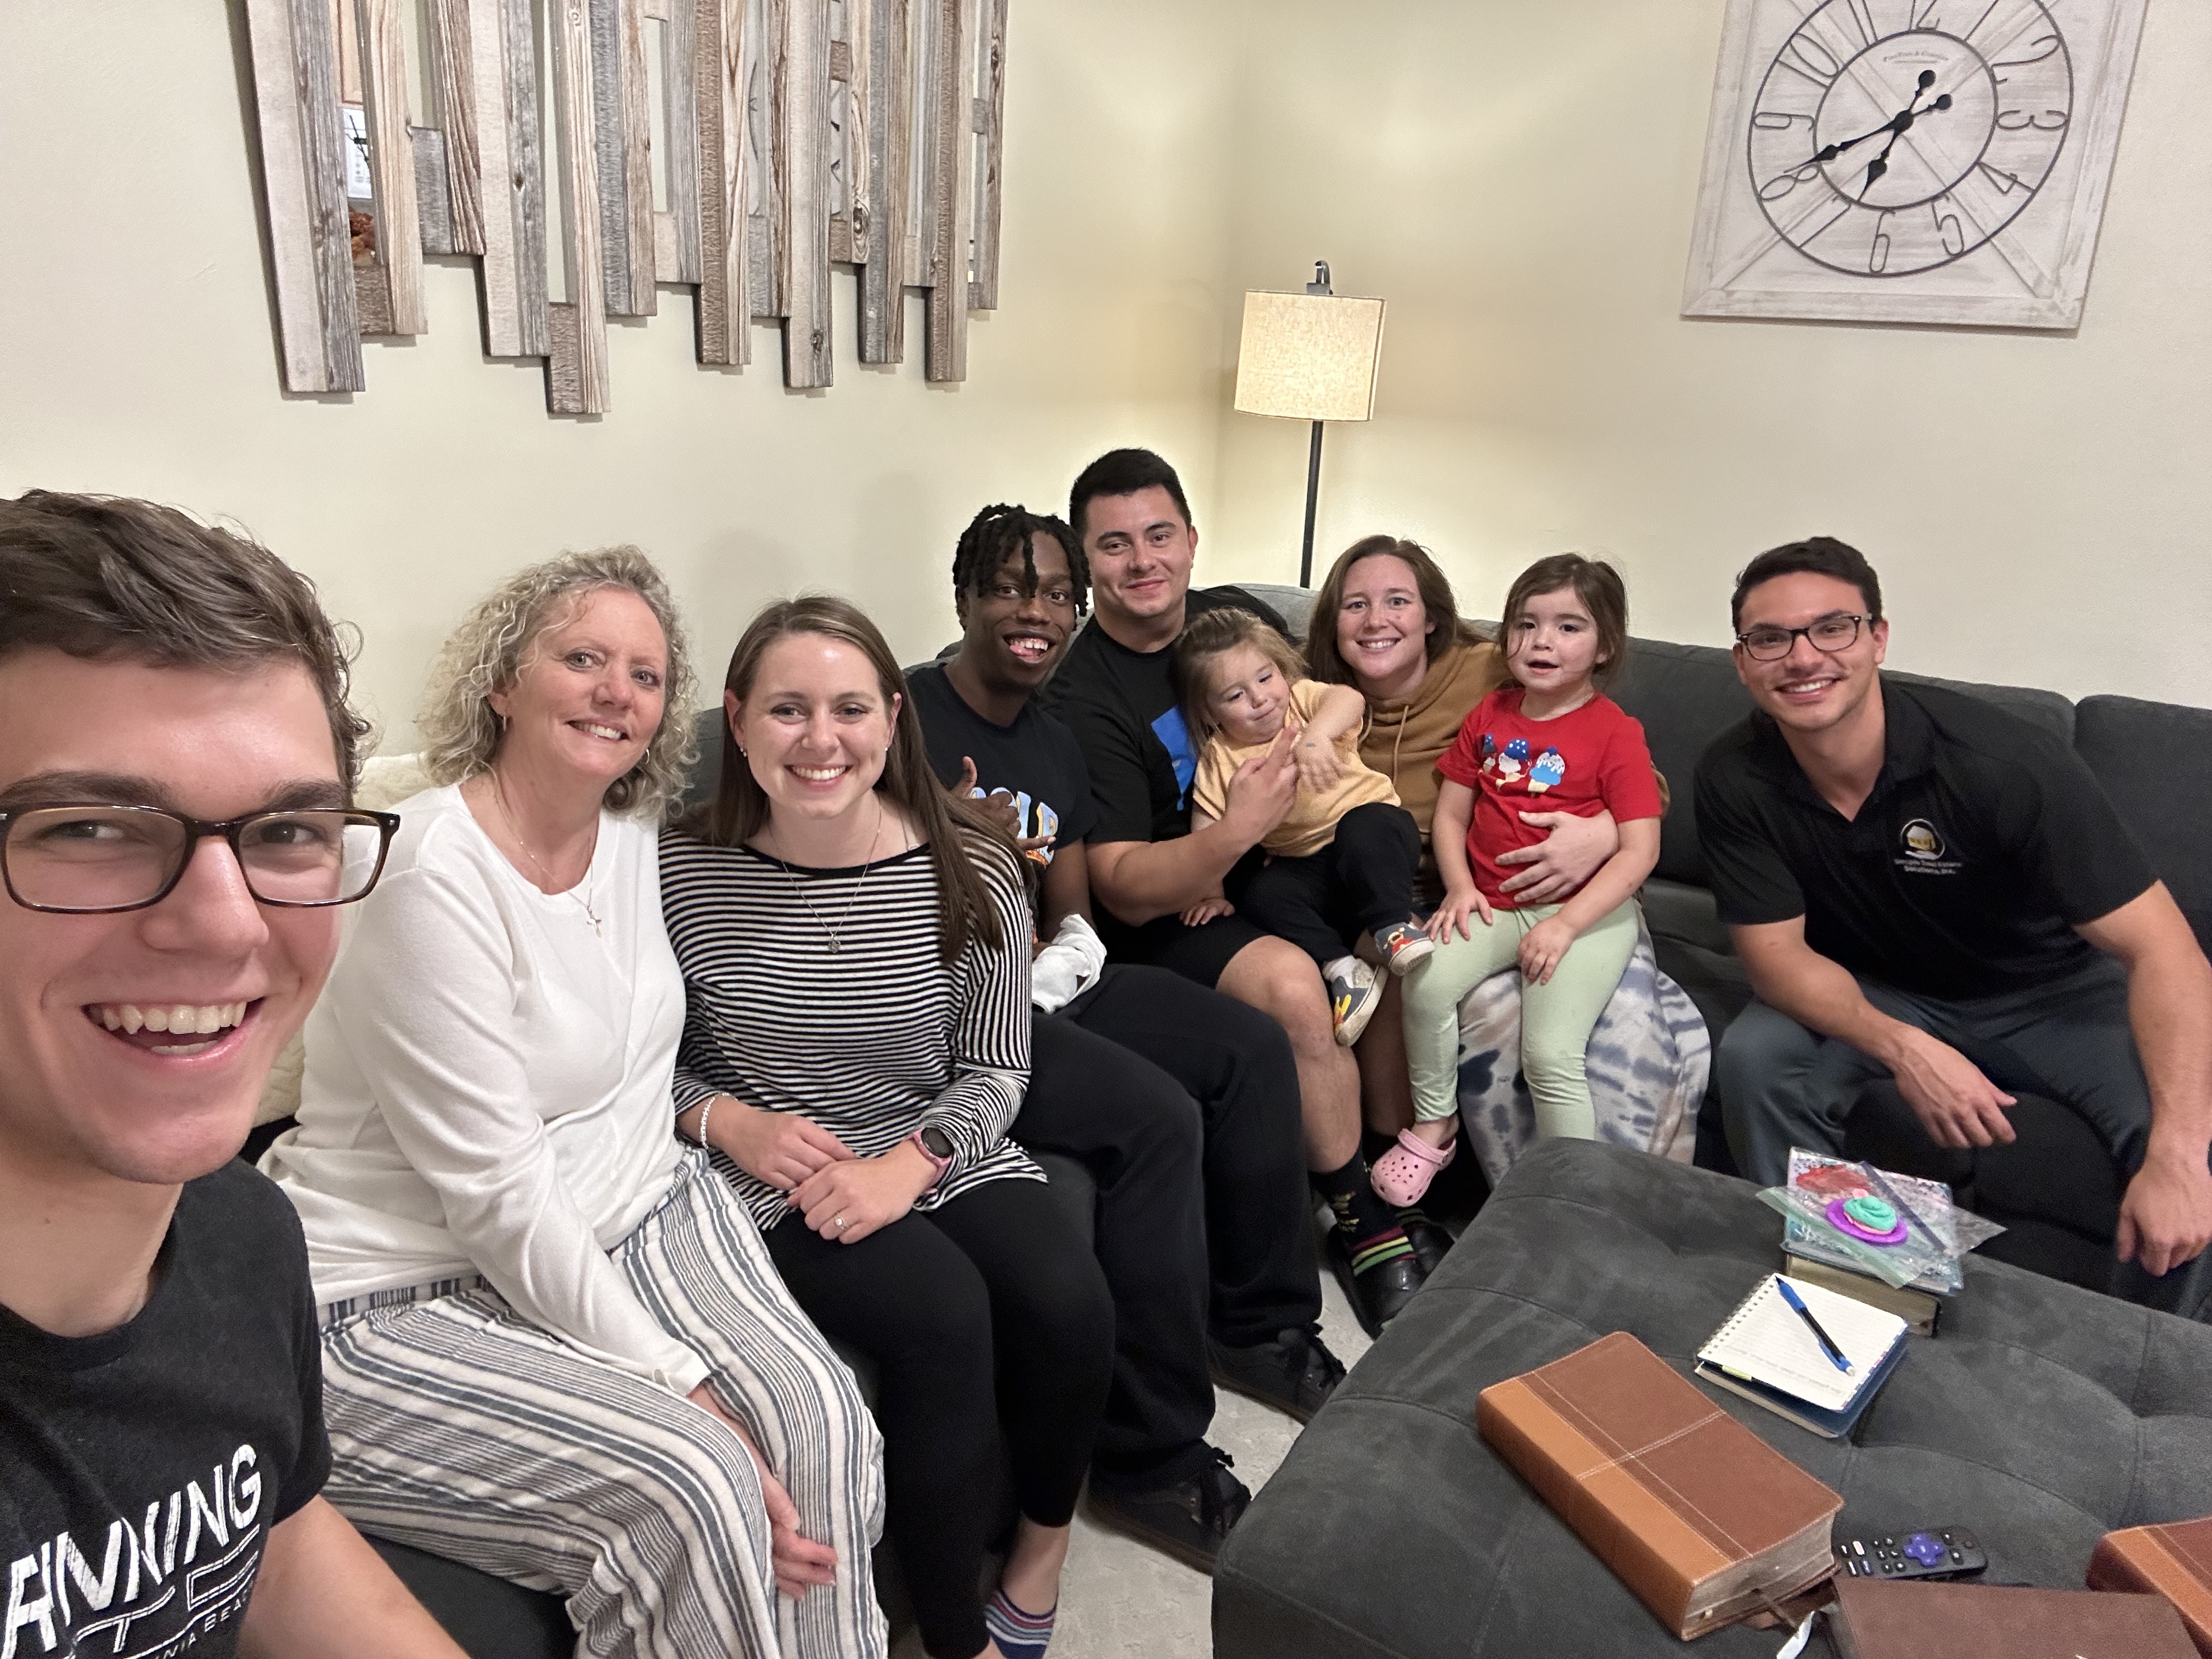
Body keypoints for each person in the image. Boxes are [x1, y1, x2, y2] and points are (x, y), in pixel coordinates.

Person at [262, 550, 888, 1659]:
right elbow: (500, 1196)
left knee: (822, 1421)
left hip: (634, 1209)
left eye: (645, 675)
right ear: (503, 681)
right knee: (697, 1477)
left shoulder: (635, 837)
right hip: (394, 1284)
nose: (617, 692)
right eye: (584, 658)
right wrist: (680, 1382)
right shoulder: (429, 873)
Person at [0, 490, 466, 1658]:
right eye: (90, 826)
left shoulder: (240, 1234)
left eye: (288, 832)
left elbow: (262, 1542)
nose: (224, 923)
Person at [660, 597, 1114, 1659]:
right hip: (775, 1169)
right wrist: (726, 1120)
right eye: (788, 709)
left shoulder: (975, 865)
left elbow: (998, 1066)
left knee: (1070, 1303)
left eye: (850, 708)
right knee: (941, 1313)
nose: (821, 739)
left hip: (935, 1138)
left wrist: (911, 1164)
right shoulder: (674, 870)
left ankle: (1041, 1551)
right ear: (738, 719)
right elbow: (629, 1066)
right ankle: (956, 1640)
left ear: (892, 718)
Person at [910, 503, 1346, 1567]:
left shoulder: (1054, 738)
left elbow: (1070, 904)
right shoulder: (903, 713)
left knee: (1246, 1047)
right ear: (963, 599)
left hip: (1043, 980)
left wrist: (1065, 945)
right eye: (1010, 588)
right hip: (943, 1010)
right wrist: (958, 845)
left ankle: (1261, 1323)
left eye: (1057, 594)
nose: (1037, 612)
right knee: (1153, 1119)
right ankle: (1148, 1453)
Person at [1697, 535, 2212, 1312]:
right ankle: (1845, 1288)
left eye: (1832, 628)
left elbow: (2165, 951)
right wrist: (1906, 1046)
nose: (1803, 658)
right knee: (1758, 1056)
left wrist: (2176, 1156)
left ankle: (2138, 1354)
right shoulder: (1734, 774)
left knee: (2187, 1132)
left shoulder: (2001, 762)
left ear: (1877, 638)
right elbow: (1775, 960)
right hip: (1880, 988)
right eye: (1771, 638)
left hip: (2052, 996)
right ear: (1743, 662)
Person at [1037, 447, 1430, 1335]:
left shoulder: (1235, 619)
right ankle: (1361, 1224)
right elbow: (1121, 888)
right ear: (1087, 562)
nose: (1143, 560)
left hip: (1276, 866)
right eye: (1114, 544)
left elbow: (1331, 703)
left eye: (1159, 535)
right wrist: (1233, 832)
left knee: (1388, 945)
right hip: (1172, 905)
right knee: (1293, 988)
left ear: (1191, 537)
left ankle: (1387, 1179)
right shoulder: (1081, 694)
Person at [1304, 535, 1627, 1137]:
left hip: (1461, 891)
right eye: (1355, 605)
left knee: (1407, 962)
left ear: (1431, 616)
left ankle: (1407, 1141)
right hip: (1350, 885)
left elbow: (1636, 782)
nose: (1375, 621)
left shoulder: (1491, 672)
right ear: (1332, 621)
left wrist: (1599, 835)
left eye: (1397, 601)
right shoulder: (1311, 698)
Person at [1383, 556, 1664, 1204]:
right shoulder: (1491, 712)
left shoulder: (1616, 733)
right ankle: (1434, 1124)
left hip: (1587, 915)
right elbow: (1451, 815)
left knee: (1549, 1053)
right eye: (1526, 624)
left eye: (1569, 627)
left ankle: (1569, 1201)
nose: (1542, 642)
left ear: (1605, 646)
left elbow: (1640, 850)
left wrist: (1565, 926)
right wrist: (1460, 887)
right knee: (1423, 982)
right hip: (1493, 905)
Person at [1173, 606, 1432, 1043]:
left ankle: (1392, 927)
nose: (1260, 699)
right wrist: (1211, 893)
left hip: (1375, 831)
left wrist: (1315, 736)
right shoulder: (1221, 756)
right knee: (1263, 892)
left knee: (1365, 831)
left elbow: (1349, 699)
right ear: (1209, 711)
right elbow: (1208, 826)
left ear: (1281, 670)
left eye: (1265, 677)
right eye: (1235, 696)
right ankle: (1343, 970)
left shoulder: (1300, 701)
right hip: (1306, 862)